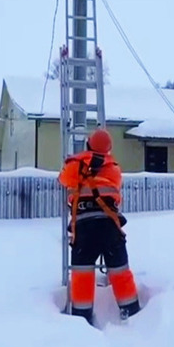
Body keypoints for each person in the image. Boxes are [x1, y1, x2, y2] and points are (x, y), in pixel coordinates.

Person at [58, 128, 141, 325]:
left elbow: (63, 180)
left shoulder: (75, 164)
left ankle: (82, 316)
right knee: (120, 271)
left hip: (84, 226)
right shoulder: (114, 168)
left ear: (88, 143)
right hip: (109, 224)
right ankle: (132, 312)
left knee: (82, 273)